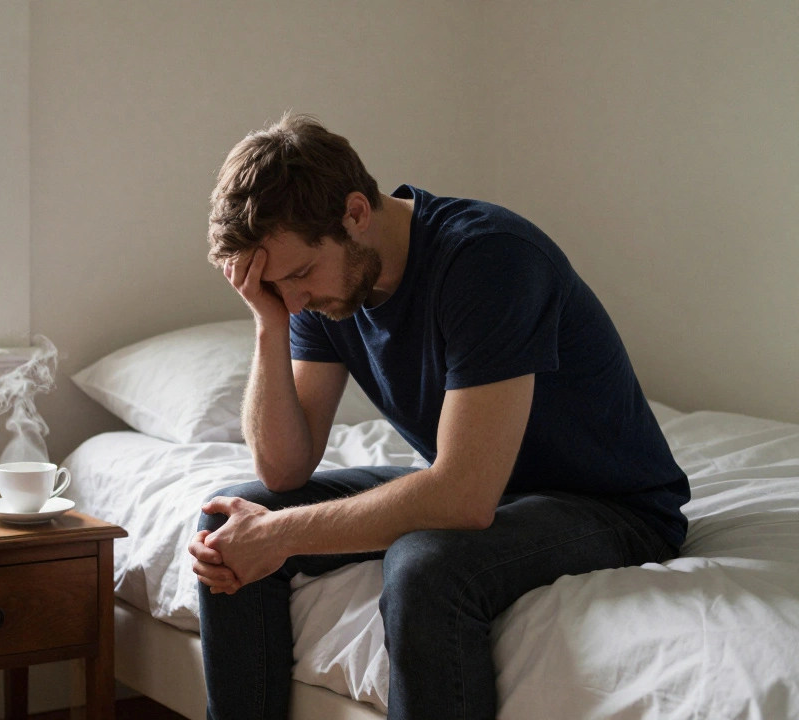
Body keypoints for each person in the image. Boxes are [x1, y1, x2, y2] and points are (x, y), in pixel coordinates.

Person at [189, 113, 689, 720]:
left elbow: (461, 500)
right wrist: (269, 323)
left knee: (425, 567)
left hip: (613, 505)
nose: (295, 299)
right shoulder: (314, 292)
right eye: (275, 286)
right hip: (493, 488)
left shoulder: (487, 259)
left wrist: (281, 537)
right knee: (226, 524)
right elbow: (284, 470)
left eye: (297, 276)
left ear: (354, 213)